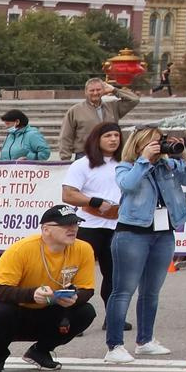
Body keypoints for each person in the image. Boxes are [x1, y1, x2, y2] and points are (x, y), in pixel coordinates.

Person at [104, 125, 186, 361]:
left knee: (151, 292)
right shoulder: (126, 166)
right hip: (132, 233)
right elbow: (127, 184)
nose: (159, 146)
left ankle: (145, 340)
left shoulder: (168, 165)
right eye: (153, 142)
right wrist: (144, 160)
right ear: (139, 144)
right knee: (123, 290)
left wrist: (185, 155)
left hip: (164, 232)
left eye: (161, 141)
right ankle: (114, 346)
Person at [0, 206, 100, 372]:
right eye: (65, 225)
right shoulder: (23, 249)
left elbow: (87, 289)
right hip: (15, 312)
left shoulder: (83, 249)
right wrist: (31, 294)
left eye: (75, 223)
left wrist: (75, 297)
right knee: (2, 311)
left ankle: (40, 351)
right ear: (46, 229)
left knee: (85, 311)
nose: (72, 229)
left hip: (48, 308)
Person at [58, 120, 126, 304]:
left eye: (116, 135)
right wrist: (94, 201)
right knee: (75, 273)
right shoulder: (83, 164)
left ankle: (113, 318)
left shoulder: (126, 163)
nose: (113, 139)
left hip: (118, 225)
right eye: (108, 136)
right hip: (90, 225)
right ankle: (69, 315)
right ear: (97, 139)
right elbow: (68, 194)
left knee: (114, 274)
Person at [59, 76, 137, 161]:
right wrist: (65, 159)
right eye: (92, 90)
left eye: (98, 90)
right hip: (85, 155)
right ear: (85, 92)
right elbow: (66, 136)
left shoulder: (112, 107)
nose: (95, 93)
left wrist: (114, 90)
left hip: (110, 154)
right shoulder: (75, 111)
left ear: (103, 91)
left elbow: (134, 100)